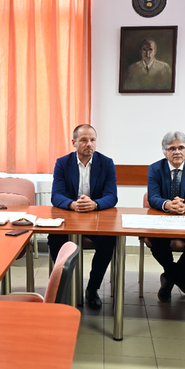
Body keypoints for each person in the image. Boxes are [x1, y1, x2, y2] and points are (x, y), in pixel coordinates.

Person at [50, 124, 118, 310]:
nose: (89, 144)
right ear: (74, 142)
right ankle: (67, 284)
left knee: (109, 240)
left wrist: (95, 204)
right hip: (70, 218)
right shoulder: (62, 163)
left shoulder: (106, 163)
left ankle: (92, 288)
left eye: (92, 140)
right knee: (54, 238)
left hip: (96, 219)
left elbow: (112, 196)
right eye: (84, 140)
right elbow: (56, 195)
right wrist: (72, 204)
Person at [147, 131, 185, 302]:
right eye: (172, 148)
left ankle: (170, 278)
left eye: (181, 147)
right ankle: (180, 278)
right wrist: (167, 204)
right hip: (162, 220)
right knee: (156, 240)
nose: (177, 152)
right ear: (164, 152)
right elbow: (153, 197)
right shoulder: (155, 168)